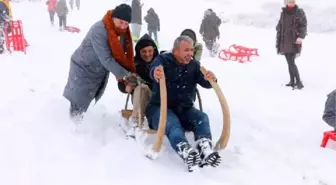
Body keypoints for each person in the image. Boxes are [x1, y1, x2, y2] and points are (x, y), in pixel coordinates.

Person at [145, 36, 221, 172]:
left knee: (201, 118)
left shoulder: (194, 65)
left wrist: (211, 78)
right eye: (186, 50)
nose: (190, 54)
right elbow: (153, 68)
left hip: (184, 109)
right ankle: (185, 149)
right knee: (171, 123)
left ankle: (204, 146)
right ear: (175, 51)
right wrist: (155, 72)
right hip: (160, 108)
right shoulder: (163, 60)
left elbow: (205, 82)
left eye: (191, 50)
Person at [63, 4, 137, 122]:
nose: (123, 26)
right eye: (121, 22)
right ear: (113, 18)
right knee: (78, 100)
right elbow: (107, 59)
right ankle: (72, 128)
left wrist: (127, 73)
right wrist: (127, 75)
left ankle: (77, 122)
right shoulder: (99, 30)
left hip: (98, 69)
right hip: (83, 67)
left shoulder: (121, 32)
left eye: (126, 24)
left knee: (87, 98)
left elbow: (122, 55)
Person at [118, 33, 158, 136]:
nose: (147, 54)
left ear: (154, 50)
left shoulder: (160, 62)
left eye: (150, 51)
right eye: (143, 51)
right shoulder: (134, 64)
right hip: (140, 99)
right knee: (142, 88)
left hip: (158, 97)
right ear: (138, 52)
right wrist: (125, 86)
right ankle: (135, 121)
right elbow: (123, 83)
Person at [276, 0, 307, 90]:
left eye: (293, 1)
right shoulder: (283, 13)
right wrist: (278, 28)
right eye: (289, 1)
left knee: (291, 62)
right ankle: (292, 81)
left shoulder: (299, 12)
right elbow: (280, 24)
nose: (291, 3)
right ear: (286, 2)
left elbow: (303, 25)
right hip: (284, 41)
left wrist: (301, 36)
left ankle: (298, 81)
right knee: (289, 62)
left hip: (294, 41)